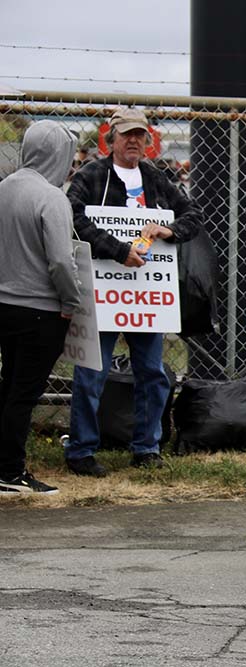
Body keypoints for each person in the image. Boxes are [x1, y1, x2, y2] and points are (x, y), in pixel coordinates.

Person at [63, 107, 203, 476]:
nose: (134, 141)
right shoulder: (92, 175)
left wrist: (168, 231)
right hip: (103, 292)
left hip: (146, 296)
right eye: (127, 134)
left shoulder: (155, 177)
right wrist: (117, 249)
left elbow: (192, 215)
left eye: (140, 135)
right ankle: (81, 450)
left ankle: (146, 447)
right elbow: (72, 217)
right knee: (92, 371)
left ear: (148, 140)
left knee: (152, 372)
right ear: (111, 139)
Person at [0, 121, 81, 494]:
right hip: (41, 309)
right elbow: (61, 260)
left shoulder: (5, 187)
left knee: (8, 386)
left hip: (5, 303)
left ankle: (4, 465)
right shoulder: (52, 197)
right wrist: (71, 301)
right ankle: (10, 471)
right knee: (25, 392)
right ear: (58, 155)